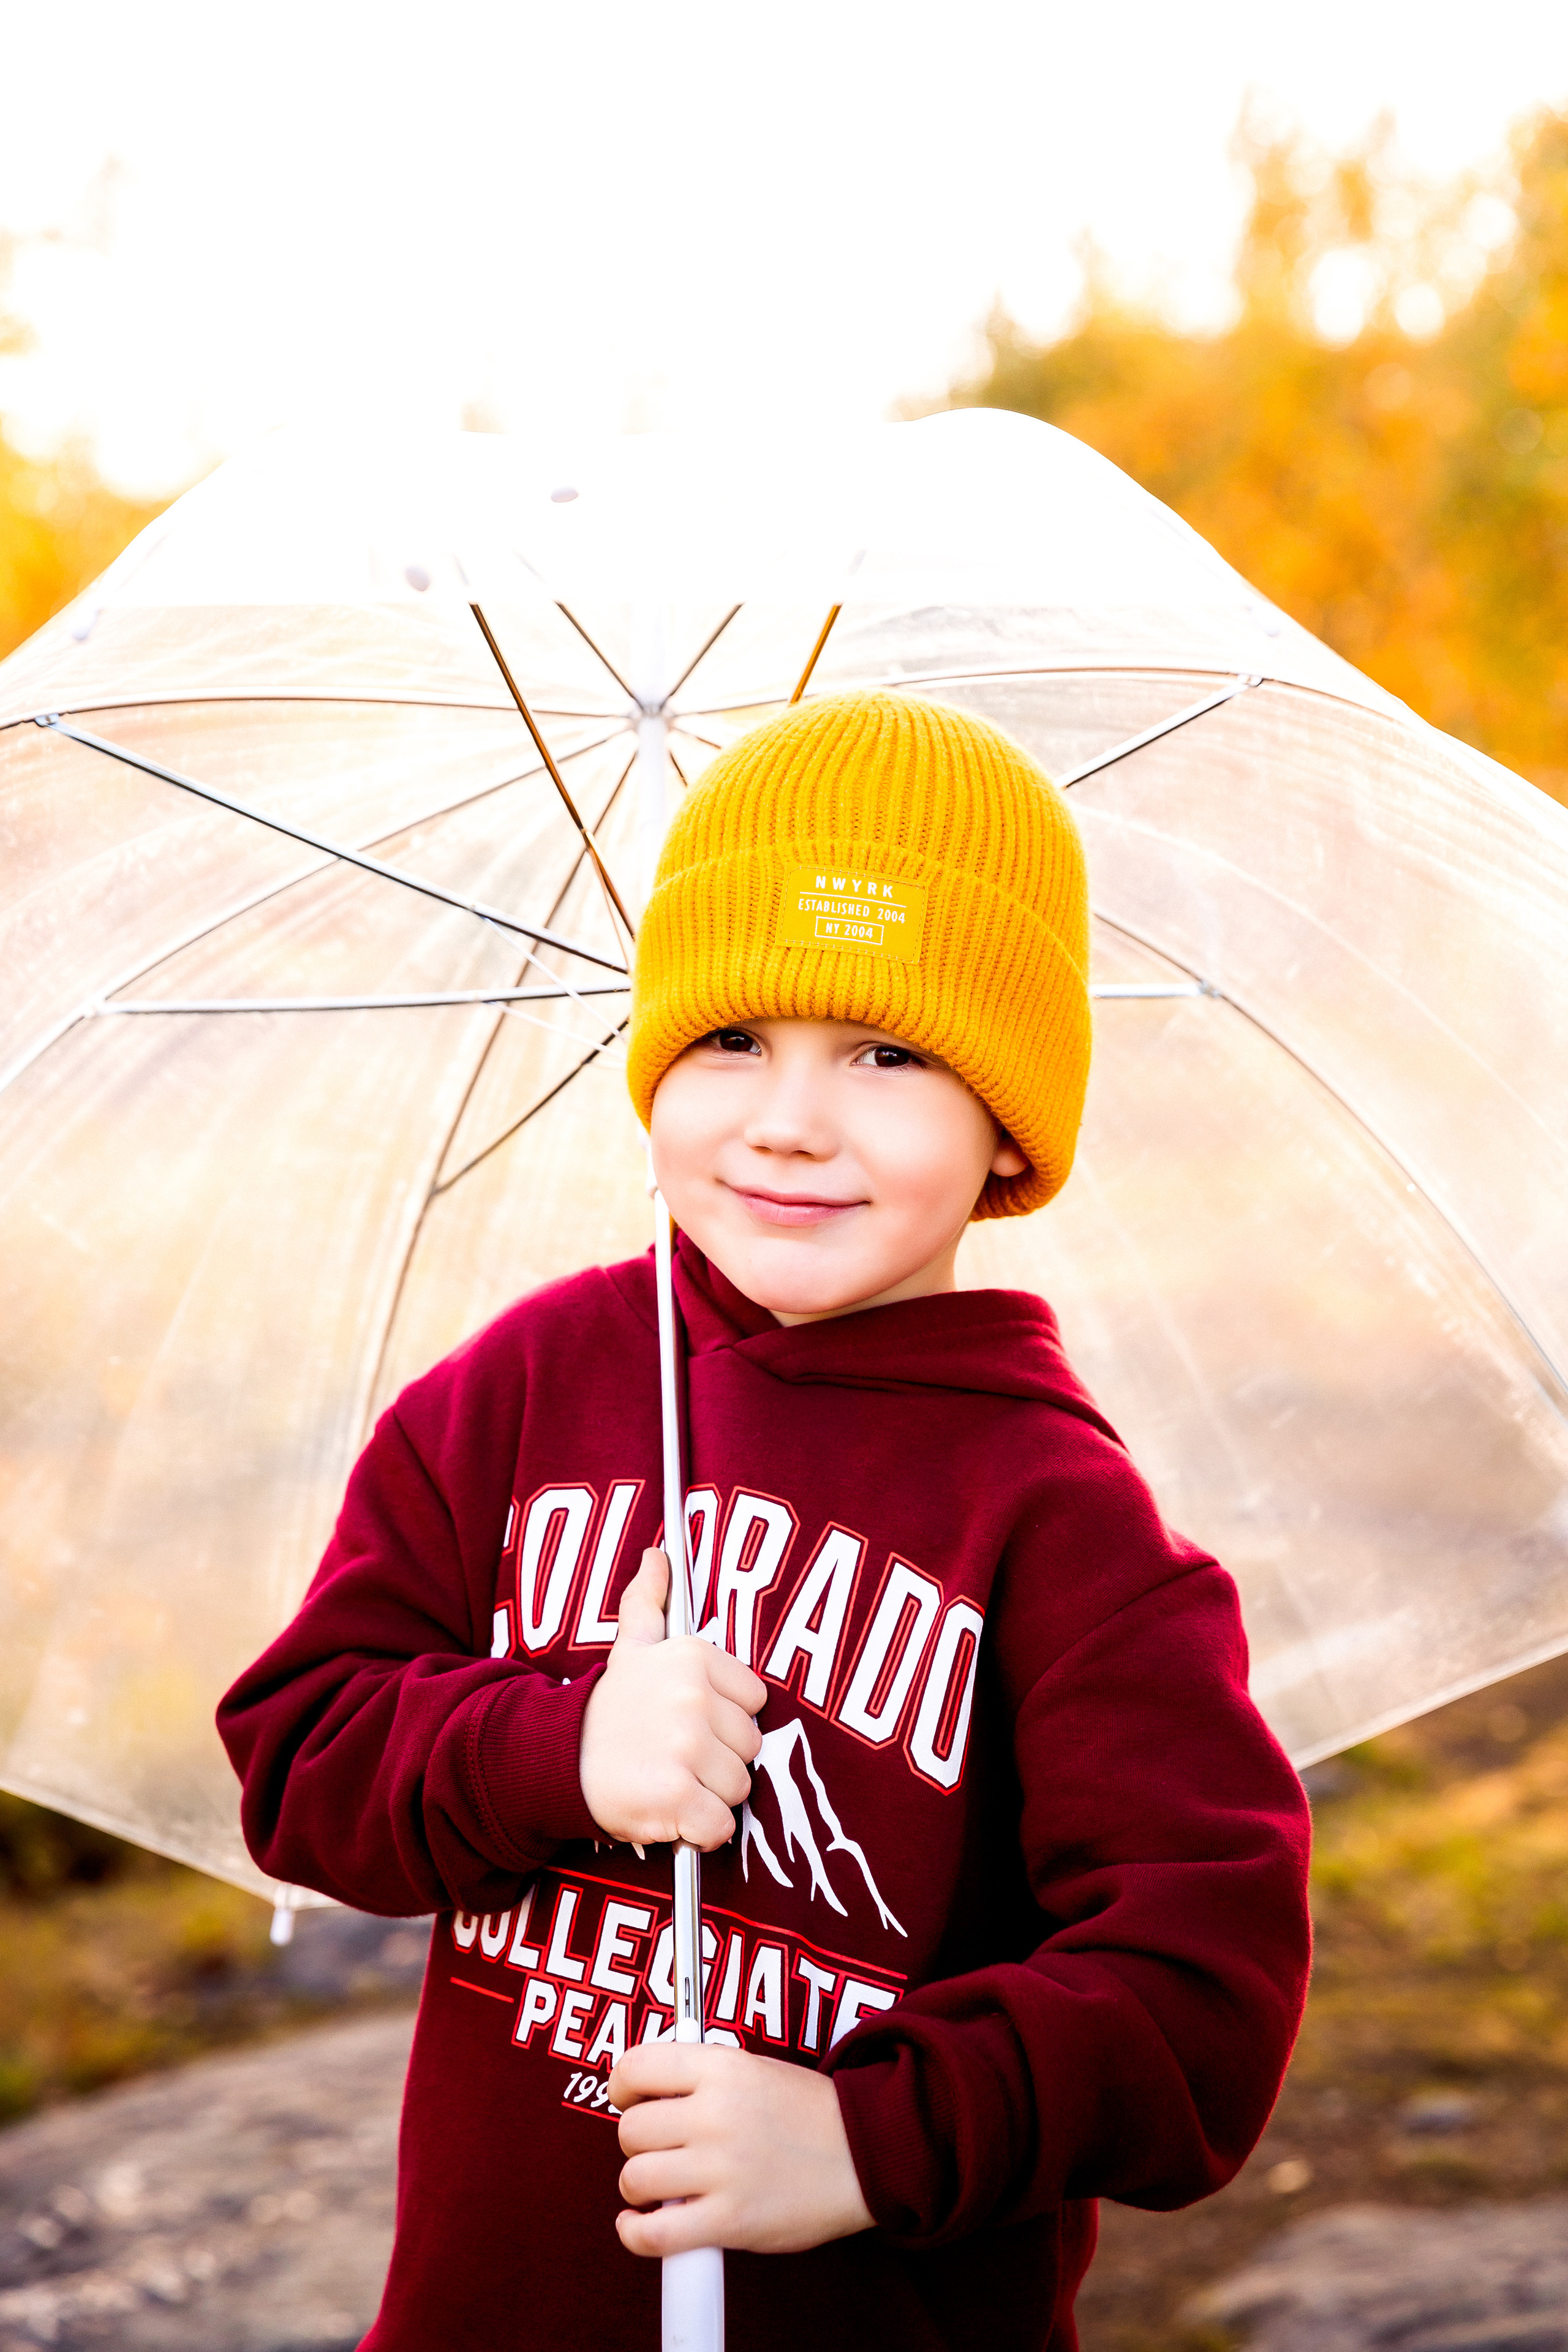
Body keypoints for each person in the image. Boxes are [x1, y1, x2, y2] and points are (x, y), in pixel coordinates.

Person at [219, 689, 1311, 2352]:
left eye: (886, 1054)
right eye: (734, 1039)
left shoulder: (1061, 1522)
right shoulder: (526, 1391)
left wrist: (866, 2142)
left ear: (1008, 1123)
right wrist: (556, 1750)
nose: (792, 1118)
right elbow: (299, 1763)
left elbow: (1200, 2005)